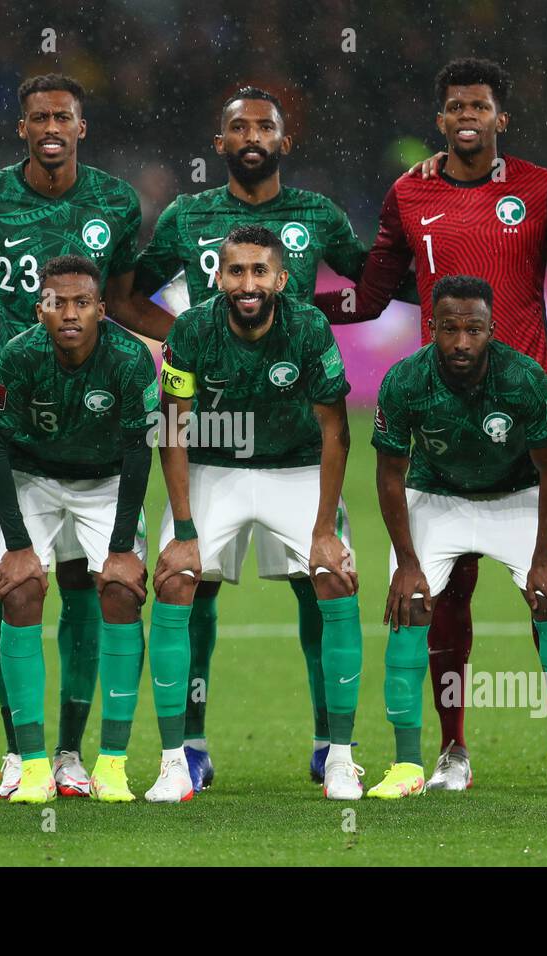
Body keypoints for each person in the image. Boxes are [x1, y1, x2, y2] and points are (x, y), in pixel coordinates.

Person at [321, 58, 547, 790]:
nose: (467, 114)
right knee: (442, 602)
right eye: (454, 106)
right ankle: (449, 752)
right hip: (440, 425)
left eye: (480, 104)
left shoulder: (542, 190)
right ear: (439, 119)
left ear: (501, 117)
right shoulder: (409, 193)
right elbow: (375, 295)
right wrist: (297, 313)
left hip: (526, 424)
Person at [0, 74, 170, 798]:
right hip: (12, 408)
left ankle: (75, 754)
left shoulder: (115, 201)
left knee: (91, 590)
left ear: (82, 127)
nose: (51, 126)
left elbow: (119, 301)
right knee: (17, 583)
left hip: (92, 413)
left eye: (64, 116)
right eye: (38, 117)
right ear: (21, 128)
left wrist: (190, 341)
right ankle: (22, 755)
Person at [153, 225, 361, 801]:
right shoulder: (192, 329)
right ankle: (179, 757)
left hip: (294, 468)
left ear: (282, 278)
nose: (248, 284)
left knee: (335, 577)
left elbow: (335, 431)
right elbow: (171, 428)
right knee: (176, 581)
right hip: (213, 467)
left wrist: (323, 531)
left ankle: (338, 754)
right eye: (236, 272)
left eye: (259, 272)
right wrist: (186, 530)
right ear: (217, 276)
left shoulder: (308, 326)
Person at [371, 275, 547, 798]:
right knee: (412, 606)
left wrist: (542, 558)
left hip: (516, 496)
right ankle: (414, 763)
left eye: (474, 330)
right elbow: (389, 475)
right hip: (438, 495)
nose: (461, 342)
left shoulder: (525, 379)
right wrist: (405, 563)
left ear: (492, 329)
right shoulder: (404, 381)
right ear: (433, 328)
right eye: (449, 329)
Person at [0, 255, 155, 803]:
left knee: (123, 592)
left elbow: (137, 452)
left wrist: (122, 548)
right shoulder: (18, 355)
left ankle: (110, 763)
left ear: (102, 309)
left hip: (104, 483)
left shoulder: (129, 359)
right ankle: (31, 763)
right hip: (32, 478)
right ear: (40, 310)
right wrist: (17, 545)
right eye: (57, 303)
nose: (70, 313)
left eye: (82, 303)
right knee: (22, 589)